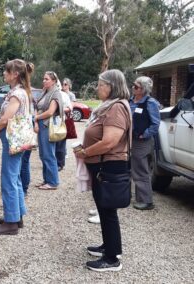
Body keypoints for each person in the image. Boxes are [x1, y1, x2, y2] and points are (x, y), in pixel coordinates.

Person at [74, 69, 131, 272]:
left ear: (111, 86)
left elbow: (109, 141)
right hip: (102, 164)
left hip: (109, 164)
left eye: (100, 84)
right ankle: (108, 246)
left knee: (108, 211)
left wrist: (86, 152)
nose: (98, 88)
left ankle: (112, 258)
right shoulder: (109, 106)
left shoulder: (116, 108)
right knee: (104, 208)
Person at [0, 59, 34, 235]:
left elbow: (6, 118)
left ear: (15, 74)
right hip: (19, 140)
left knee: (8, 178)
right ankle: (17, 216)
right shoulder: (22, 92)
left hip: (13, 140)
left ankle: (11, 222)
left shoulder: (17, 94)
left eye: (6, 71)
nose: (4, 74)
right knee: (15, 178)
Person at [129, 76, 160, 210]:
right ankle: (129, 195)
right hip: (129, 140)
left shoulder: (150, 103)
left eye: (136, 86)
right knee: (130, 168)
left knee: (141, 170)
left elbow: (155, 124)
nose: (133, 88)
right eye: (133, 86)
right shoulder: (130, 101)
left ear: (143, 89)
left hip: (141, 142)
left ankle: (146, 201)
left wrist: (144, 134)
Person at [34, 71, 63, 190]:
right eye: (43, 79)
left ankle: (53, 182)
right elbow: (36, 107)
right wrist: (36, 120)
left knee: (48, 154)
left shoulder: (55, 94)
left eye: (47, 79)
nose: (44, 81)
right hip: (42, 124)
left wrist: (35, 117)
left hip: (48, 125)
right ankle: (47, 179)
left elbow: (50, 112)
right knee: (43, 154)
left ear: (54, 81)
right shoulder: (44, 92)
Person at [56, 84, 73, 171]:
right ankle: (55, 163)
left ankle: (60, 164)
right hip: (50, 124)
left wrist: (59, 110)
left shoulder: (64, 95)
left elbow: (70, 108)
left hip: (61, 123)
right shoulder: (46, 93)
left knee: (60, 145)